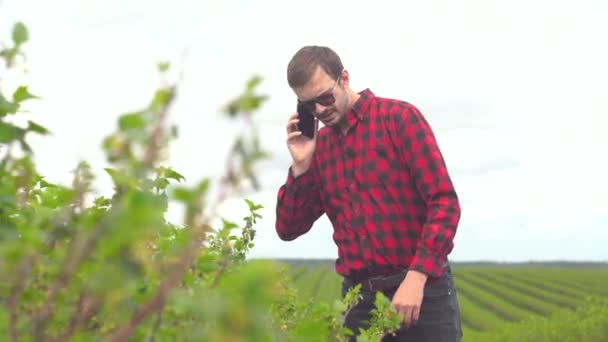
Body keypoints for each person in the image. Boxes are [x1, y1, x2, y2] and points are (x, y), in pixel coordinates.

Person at [274, 45, 463, 341]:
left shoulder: (399, 119)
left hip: (423, 291)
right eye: (309, 106)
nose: (320, 111)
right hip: (359, 301)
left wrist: (417, 276)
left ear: (344, 78)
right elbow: (288, 228)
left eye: (325, 97)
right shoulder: (318, 150)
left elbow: (444, 203)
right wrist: (300, 166)